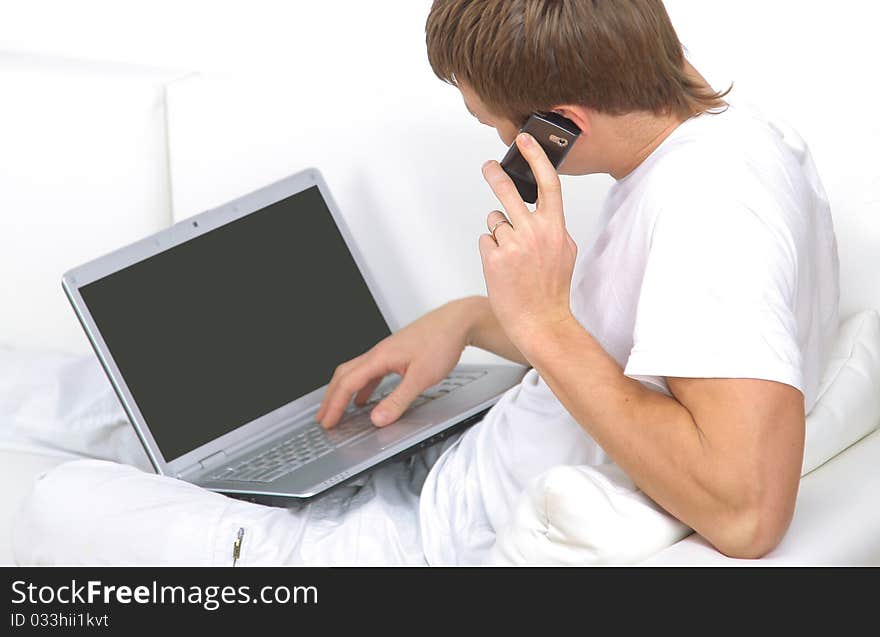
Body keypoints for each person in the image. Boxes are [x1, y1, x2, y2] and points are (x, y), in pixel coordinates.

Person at [14, 0, 839, 565]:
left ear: (563, 125)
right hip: (446, 463)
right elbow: (648, 342)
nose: (491, 137)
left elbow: (744, 509)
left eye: (491, 124)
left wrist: (545, 321)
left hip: (407, 546)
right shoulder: (724, 137)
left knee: (56, 501)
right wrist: (469, 318)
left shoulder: (714, 211)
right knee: (119, 397)